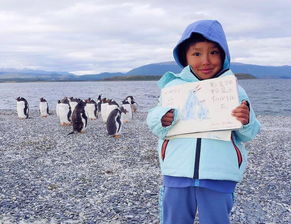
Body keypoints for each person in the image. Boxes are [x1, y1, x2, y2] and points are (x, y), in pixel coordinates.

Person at [146, 20, 261, 224]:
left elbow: (248, 134)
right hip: (177, 172)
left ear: (224, 54)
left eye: (214, 52)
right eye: (197, 54)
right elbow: (155, 124)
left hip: (219, 175)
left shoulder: (235, 90)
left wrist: (246, 120)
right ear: (185, 57)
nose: (206, 60)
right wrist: (161, 119)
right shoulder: (173, 89)